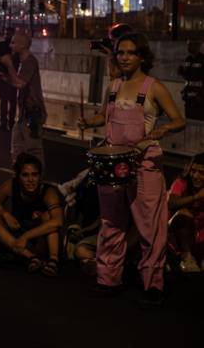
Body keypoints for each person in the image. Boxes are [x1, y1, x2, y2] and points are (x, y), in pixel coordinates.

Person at [78, 32, 186, 307]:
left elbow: (179, 120)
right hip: (113, 164)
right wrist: (88, 122)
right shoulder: (113, 86)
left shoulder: (154, 87)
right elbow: (105, 115)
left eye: (130, 52)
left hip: (145, 165)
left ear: (141, 57)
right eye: (120, 52)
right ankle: (108, 278)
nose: (124, 57)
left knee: (150, 228)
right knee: (111, 224)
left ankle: (152, 284)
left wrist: (162, 129)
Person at [0, 153, 63, 277]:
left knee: (48, 218)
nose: (30, 179)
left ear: (40, 176)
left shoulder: (48, 191)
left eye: (34, 174)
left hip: (40, 241)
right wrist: (5, 213)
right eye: (25, 175)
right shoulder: (12, 185)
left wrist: (26, 236)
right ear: (18, 176)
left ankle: (53, 261)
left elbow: (58, 221)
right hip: (19, 242)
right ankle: (31, 258)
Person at [4, 33, 46, 170]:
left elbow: (20, 83)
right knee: (17, 149)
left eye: (13, 42)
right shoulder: (23, 62)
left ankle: (37, 181)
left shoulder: (29, 62)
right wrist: (6, 78)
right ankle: (18, 178)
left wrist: (9, 65)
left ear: (22, 45)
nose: (11, 46)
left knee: (33, 152)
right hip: (23, 114)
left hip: (32, 113)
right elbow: (17, 82)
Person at [168, 152, 204, 273]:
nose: (195, 176)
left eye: (201, 173)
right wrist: (197, 196)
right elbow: (172, 203)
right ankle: (187, 258)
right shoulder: (181, 183)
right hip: (178, 237)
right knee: (184, 214)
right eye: (193, 171)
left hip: (199, 236)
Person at [0, 31, 17, 131]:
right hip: (12, 76)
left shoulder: (1, 45)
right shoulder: (15, 47)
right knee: (12, 101)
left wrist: (2, 60)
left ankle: (4, 123)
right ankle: (10, 123)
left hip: (4, 76)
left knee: (5, 100)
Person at [177, 40, 204, 121]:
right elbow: (188, 77)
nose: (188, 47)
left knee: (199, 120)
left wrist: (201, 94)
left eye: (191, 44)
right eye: (188, 44)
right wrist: (181, 72)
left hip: (199, 97)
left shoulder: (202, 59)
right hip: (189, 96)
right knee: (189, 119)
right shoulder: (188, 59)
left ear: (197, 46)